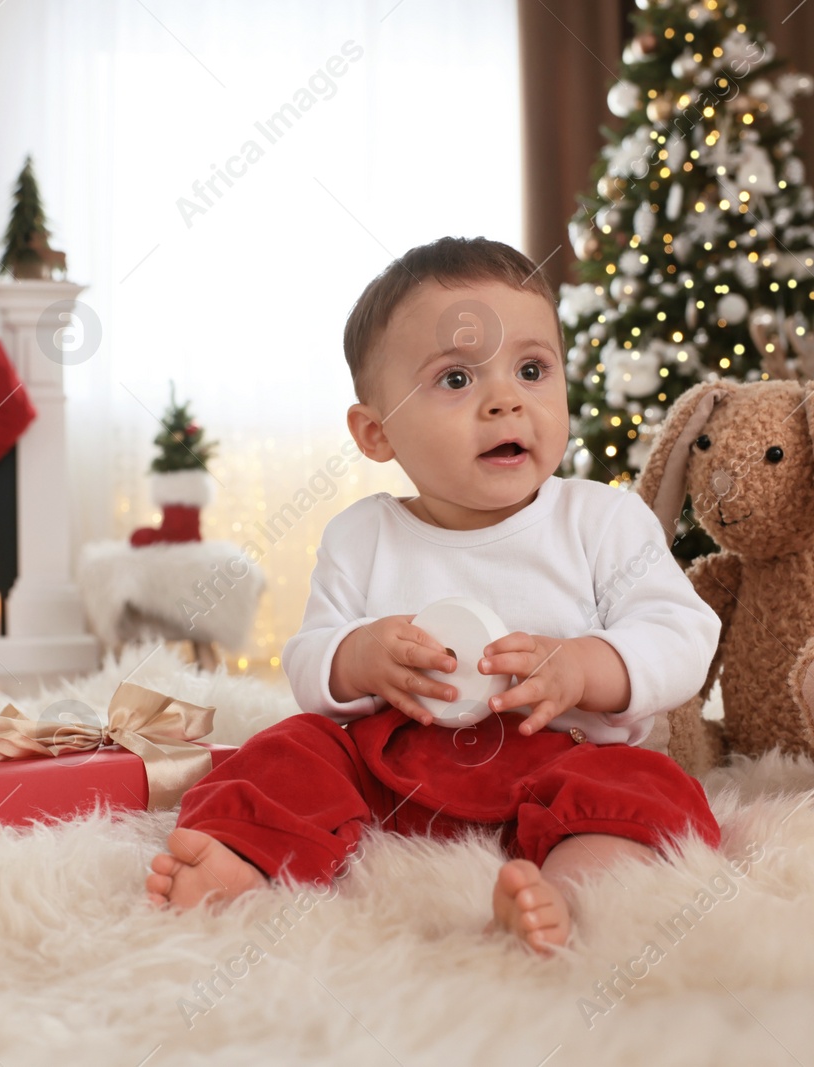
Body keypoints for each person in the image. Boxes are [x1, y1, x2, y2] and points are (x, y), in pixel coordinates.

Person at [146, 236, 722, 952]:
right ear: (377, 432)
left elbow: (681, 633)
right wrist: (357, 657)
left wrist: (586, 665)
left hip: (559, 755)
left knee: (645, 785)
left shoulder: (600, 520)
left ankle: (564, 890)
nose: (506, 400)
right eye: (456, 379)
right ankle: (242, 856)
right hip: (395, 767)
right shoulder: (363, 535)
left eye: (533, 369)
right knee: (291, 750)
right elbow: (309, 661)